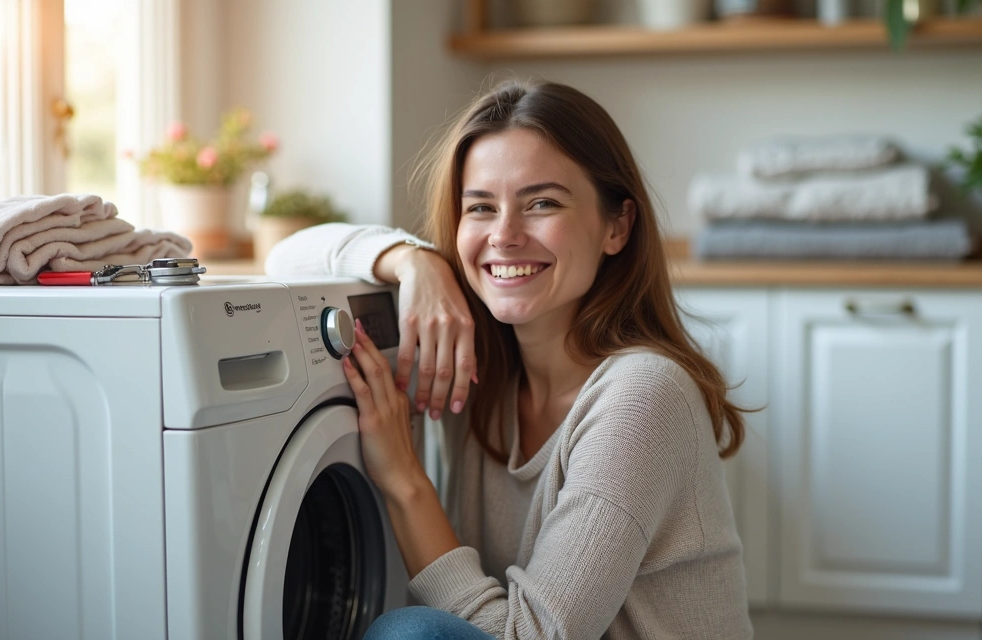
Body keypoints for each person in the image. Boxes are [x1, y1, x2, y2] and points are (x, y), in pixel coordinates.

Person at [266, 80, 752, 640]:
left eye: (542, 203)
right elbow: (288, 255)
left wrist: (402, 479)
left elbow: (528, 637)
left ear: (616, 226)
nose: (504, 235)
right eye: (480, 208)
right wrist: (417, 263)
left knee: (410, 634)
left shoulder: (644, 395)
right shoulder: (478, 370)